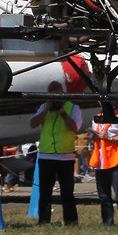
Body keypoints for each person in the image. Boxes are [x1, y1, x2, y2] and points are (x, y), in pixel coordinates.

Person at [29, 82, 82, 226]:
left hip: (66, 156)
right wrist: (46, 110)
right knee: (45, 192)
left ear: (62, 93)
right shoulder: (44, 107)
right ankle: (44, 220)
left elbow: (75, 128)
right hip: (46, 156)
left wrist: (63, 113)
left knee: (67, 192)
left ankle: (71, 221)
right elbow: (33, 123)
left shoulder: (73, 108)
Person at [88, 113, 118, 226]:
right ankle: (107, 222)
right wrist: (93, 136)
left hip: (115, 162)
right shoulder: (97, 118)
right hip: (101, 163)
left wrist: (109, 138)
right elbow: (94, 139)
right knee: (103, 197)